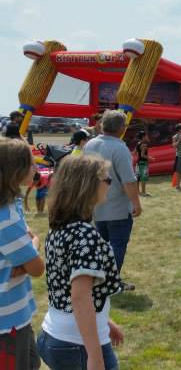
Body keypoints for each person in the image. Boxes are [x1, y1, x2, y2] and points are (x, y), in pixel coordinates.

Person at [37, 155, 124, 370]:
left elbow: (70, 288)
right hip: (76, 344)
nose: (109, 184)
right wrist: (95, 357)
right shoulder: (84, 234)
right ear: (88, 186)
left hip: (54, 334)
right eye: (106, 179)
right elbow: (79, 296)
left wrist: (105, 322)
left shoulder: (60, 228)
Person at [83, 110, 141, 291]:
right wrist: (136, 203)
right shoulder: (120, 148)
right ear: (122, 128)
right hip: (117, 207)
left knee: (101, 245)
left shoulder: (90, 144)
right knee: (117, 245)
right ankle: (111, 282)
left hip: (96, 205)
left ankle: (100, 279)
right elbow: (128, 181)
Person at [0, 138, 45, 370]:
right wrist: (34, 242)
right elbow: (37, 268)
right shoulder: (6, 219)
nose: (36, 167)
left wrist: (27, 252)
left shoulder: (11, 205)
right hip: (7, 323)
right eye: (31, 163)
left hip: (16, 316)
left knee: (31, 363)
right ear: (14, 171)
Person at [134, 131, 154, 198]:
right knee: (143, 178)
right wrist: (150, 158)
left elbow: (134, 153)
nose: (147, 137)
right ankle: (143, 192)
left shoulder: (138, 143)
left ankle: (137, 191)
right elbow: (142, 155)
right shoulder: (144, 145)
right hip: (143, 162)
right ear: (143, 137)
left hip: (138, 162)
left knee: (138, 177)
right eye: (146, 136)